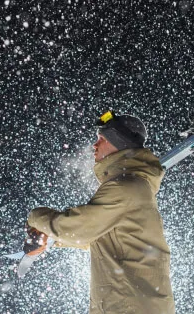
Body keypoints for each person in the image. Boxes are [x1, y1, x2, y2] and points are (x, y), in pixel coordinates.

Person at [25, 110, 175, 314]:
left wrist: (35, 217)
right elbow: (99, 238)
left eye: (102, 139)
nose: (94, 145)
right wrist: (51, 239)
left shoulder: (125, 188)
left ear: (119, 144)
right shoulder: (134, 187)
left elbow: (78, 228)